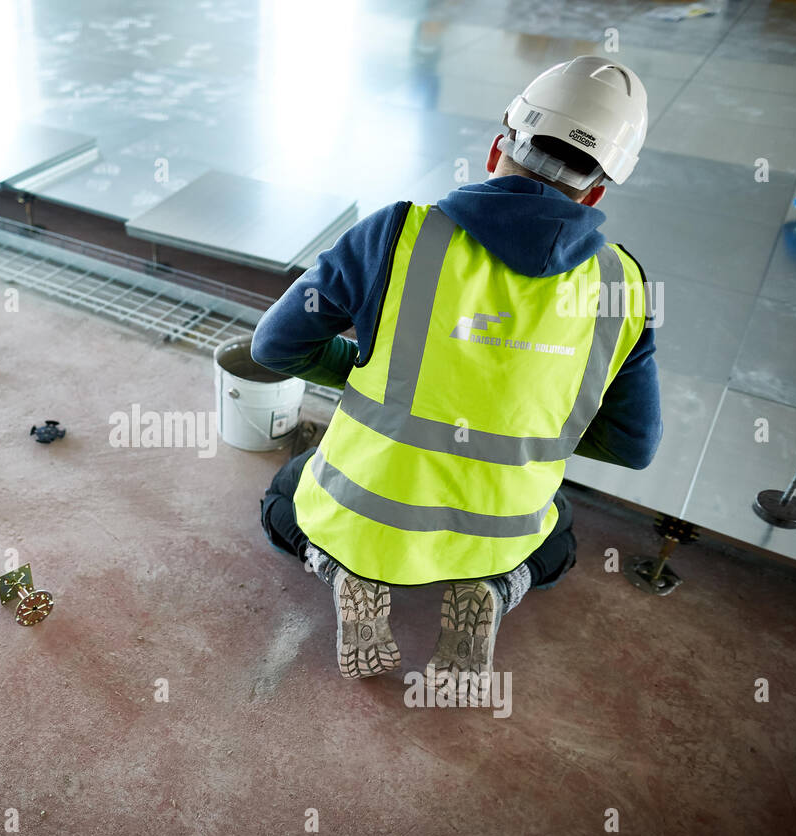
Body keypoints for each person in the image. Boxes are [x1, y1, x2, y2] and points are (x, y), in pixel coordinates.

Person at [252, 56, 663, 702]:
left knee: (283, 501)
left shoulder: (398, 233)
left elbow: (274, 345)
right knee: (558, 535)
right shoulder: (623, 286)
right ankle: (496, 588)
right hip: (502, 533)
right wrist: (538, 423)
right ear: (597, 193)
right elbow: (635, 446)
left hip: (368, 514)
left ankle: (342, 567)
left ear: (500, 146)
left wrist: (355, 369)